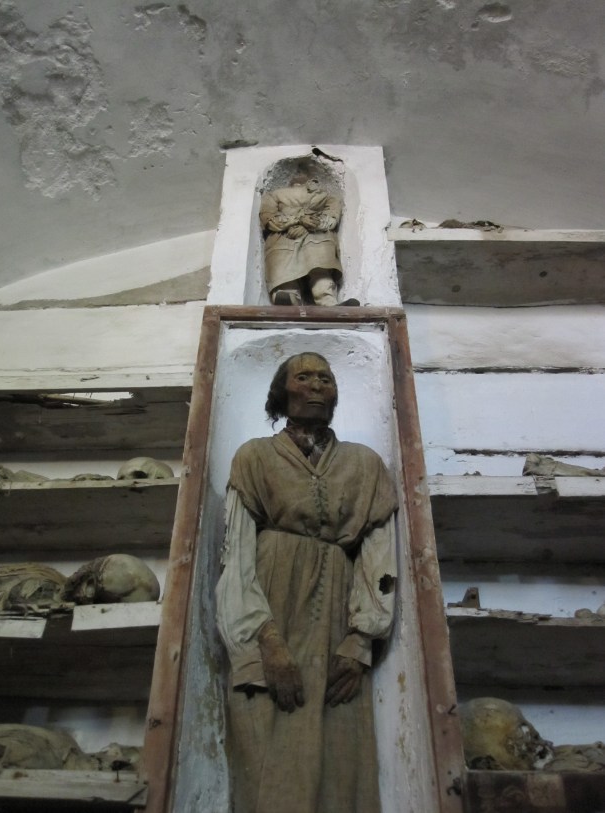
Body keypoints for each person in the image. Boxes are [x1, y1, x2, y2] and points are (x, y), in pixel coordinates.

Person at [216, 353, 398, 813]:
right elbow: (235, 555)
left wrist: (360, 641)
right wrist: (267, 642)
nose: (316, 385)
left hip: (337, 616)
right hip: (269, 609)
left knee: (340, 754)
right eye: (304, 376)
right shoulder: (254, 455)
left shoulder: (364, 463)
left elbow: (379, 556)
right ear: (283, 391)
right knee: (263, 750)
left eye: (326, 377)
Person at [260, 176, 348, 306]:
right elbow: (268, 218)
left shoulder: (326, 196)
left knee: (319, 266)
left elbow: (331, 216)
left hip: (314, 235)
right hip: (286, 236)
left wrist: (307, 225)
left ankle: (327, 301)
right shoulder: (275, 196)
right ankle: (290, 297)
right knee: (287, 270)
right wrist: (299, 220)